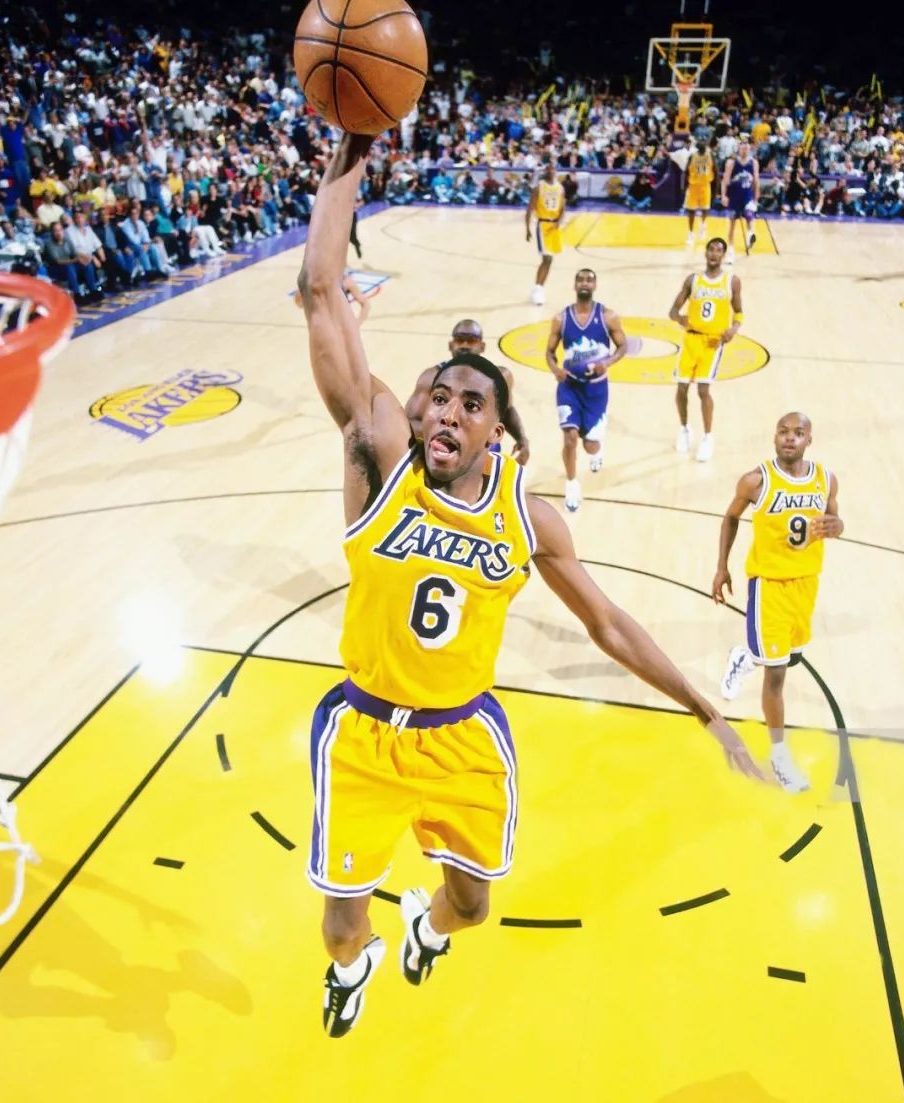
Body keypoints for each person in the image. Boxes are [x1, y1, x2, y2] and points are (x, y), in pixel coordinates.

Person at [297, 133, 764, 1041]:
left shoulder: (526, 515)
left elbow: (610, 624)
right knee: (341, 925)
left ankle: (427, 929)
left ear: (497, 433)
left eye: (471, 404)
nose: (447, 410)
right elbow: (321, 291)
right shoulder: (377, 460)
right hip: (363, 731)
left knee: (472, 906)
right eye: (438, 396)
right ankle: (353, 969)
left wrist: (704, 707)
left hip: (463, 734)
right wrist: (351, 145)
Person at [712, 413, 842, 793]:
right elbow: (730, 518)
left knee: (788, 659)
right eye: (783, 432)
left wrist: (839, 526)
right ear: (774, 437)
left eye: (798, 433)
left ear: (809, 440)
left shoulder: (826, 479)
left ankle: (743, 657)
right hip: (768, 586)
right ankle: (780, 758)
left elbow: (833, 519)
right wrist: (721, 567)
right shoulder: (756, 480)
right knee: (777, 674)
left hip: (806, 584)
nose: (789, 438)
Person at [545, 269, 627, 512]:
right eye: (580, 279)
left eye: (589, 280)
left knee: (590, 445)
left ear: (595, 286)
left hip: (596, 389)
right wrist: (555, 369)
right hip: (569, 386)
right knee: (570, 437)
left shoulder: (608, 316)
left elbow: (623, 346)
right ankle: (572, 485)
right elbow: (549, 352)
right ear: (574, 285)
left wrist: (607, 363)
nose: (584, 283)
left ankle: (597, 450)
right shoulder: (561, 319)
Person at [403, 319, 530, 464]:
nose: (464, 345)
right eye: (460, 340)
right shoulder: (431, 377)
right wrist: (451, 433)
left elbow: (506, 410)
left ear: (482, 346)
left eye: (471, 341)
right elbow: (410, 422)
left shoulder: (500, 377)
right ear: (451, 345)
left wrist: (522, 439)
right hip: (445, 451)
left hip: (485, 457)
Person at [668, 237, 743, 462]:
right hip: (691, 340)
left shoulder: (732, 281)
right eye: (711, 249)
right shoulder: (693, 280)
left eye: (719, 250)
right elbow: (673, 311)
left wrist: (733, 329)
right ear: (706, 253)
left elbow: (739, 312)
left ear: (723, 255)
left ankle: (708, 437)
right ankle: (684, 429)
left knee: (703, 390)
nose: (714, 254)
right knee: (682, 387)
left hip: (713, 343)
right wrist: (680, 319)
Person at [525, 162, 565, 305]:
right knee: (547, 259)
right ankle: (538, 290)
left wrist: (559, 221)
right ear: (546, 171)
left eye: (553, 168)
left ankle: (538, 288)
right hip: (543, 225)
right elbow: (530, 208)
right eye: (548, 168)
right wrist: (527, 229)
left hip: (554, 227)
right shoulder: (539, 187)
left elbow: (563, 208)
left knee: (549, 260)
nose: (551, 170)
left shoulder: (560, 188)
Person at [719, 140, 760, 260]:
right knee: (732, 225)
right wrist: (724, 195)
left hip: (747, 196)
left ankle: (750, 234)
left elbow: (756, 181)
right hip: (734, 196)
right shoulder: (731, 162)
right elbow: (725, 180)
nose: (745, 147)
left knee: (749, 214)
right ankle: (731, 250)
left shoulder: (754, 162)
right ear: (739, 147)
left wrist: (756, 198)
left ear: (749, 148)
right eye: (742, 145)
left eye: (747, 145)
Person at [684, 141, 715, 245]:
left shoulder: (710, 156)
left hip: (705, 185)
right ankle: (691, 233)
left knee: (705, 209)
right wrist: (684, 186)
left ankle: (703, 225)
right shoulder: (692, 156)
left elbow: (715, 170)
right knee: (691, 211)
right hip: (693, 186)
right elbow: (686, 172)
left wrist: (716, 188)